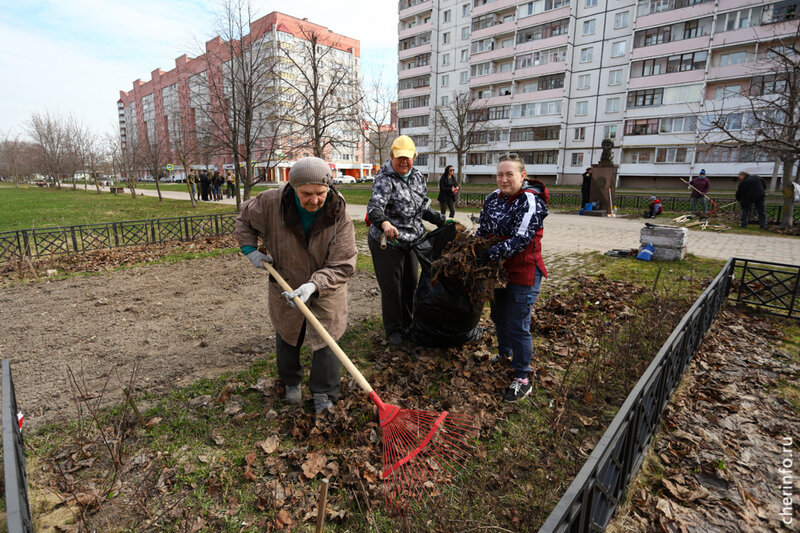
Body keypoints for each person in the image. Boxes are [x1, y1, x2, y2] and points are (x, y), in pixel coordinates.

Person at [235, 157, 357, 414]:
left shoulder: (337, 211)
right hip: (286, 280)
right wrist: (249, 249)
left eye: (320, 193)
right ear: (293, 187)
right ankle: (291, 381)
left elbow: (344, 263)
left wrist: (314, 285)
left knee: (327, 338)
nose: (315, 200)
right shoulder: (271, 203)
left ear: (330, 189)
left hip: (327, 286)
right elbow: (244, 219)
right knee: (288, 333)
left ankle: (324, 391)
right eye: (307, 193)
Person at [475, 153, 548, 402]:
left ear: (522, 176)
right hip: (498, 270)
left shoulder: (531, 201)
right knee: (498, 316)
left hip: (523, 269)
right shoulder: (492, 199)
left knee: (518, 323)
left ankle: (522, 377)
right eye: (499, 174)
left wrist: (489, 254)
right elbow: (482, 229)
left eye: (509, 174)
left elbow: (521, 238)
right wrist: (474, 248)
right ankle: (505, 354)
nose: (503, 179)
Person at [367, 135, 448, 346]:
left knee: (411, 283)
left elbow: (421, 208)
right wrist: (384, 224)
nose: (404, 162)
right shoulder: (385, 179)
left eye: (408, 158)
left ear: (414, 157)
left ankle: (407, 322)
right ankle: (393, 328)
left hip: (411, 240)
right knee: (392, 287)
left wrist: (442, 221)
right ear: (392, 156)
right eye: (399, 157)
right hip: (387, 240)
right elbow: (375, 208)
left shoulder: (418, 177)